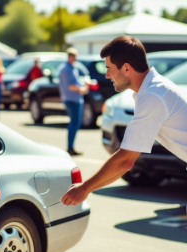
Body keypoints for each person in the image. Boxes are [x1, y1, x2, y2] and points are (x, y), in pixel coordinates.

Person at [61, 36, 187, 209]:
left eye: (109, 68)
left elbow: (125, 161)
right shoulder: (154, 89)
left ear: (127, 68)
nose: (106, 75)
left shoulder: (152, 96)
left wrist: (84, 188)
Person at [59, 47, 89, 156]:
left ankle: (71, 147)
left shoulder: (72, 68)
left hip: (75, 98)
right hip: (71, 99)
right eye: (74, 56)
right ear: (70, 56)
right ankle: (70, 147)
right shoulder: (66, 69)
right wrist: (82, 89)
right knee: (74, 123)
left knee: (75, 123)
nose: (76, 59)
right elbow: (70, 86)